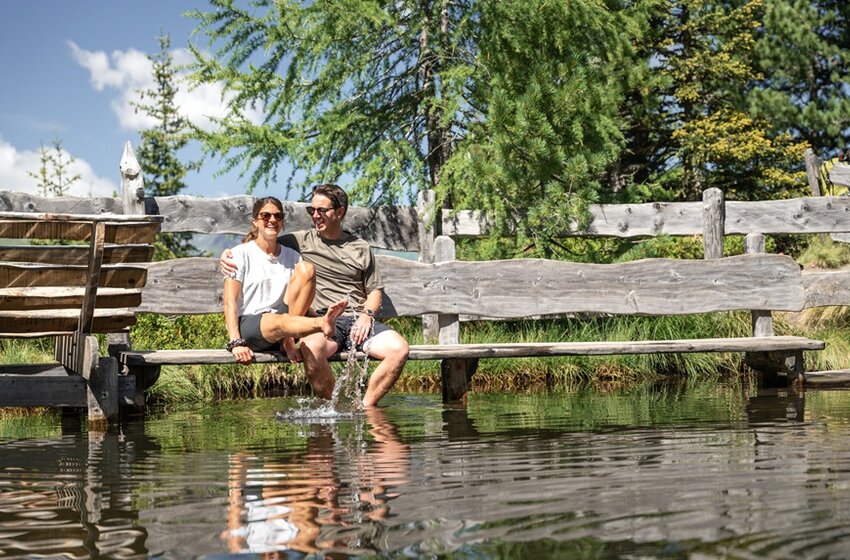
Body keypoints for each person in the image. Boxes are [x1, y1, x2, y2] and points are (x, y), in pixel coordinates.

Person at [221, 185, 409, 407]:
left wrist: (366, 316)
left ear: (340, 212)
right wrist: (227, 255)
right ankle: (336, 409)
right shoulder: (301, 241)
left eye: (322, 210)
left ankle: (365, 408)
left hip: (358, 320)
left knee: (400, 349)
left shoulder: (360, 247)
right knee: (310, 348)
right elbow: (263, 242)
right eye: (312, 211)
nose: (315, 215)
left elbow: (375, 290)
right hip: (322, 324)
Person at [223, 196, 347, 365]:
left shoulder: (293, 255)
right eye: (266, 216)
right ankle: (322, 323)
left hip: (285, 327)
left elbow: (298, 297)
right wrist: (235, 343)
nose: (272, 220)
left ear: (282, 221)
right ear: (255, 221)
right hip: (252, 326)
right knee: (279, 320)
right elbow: (230, 302)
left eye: (278, 216)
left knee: (307, 269)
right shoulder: (240, 254)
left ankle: (288, 340)